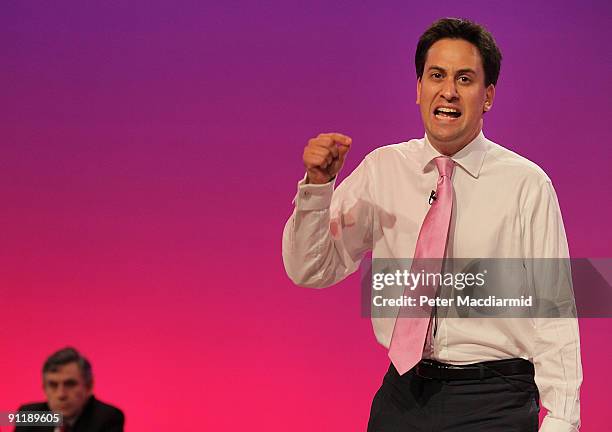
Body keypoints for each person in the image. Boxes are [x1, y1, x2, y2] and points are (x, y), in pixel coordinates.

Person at [282, 17, 582, 432]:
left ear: (488, 95)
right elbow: (310, 269)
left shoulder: (526, 184)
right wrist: (317, 189)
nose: (448, 91)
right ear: (419, 88)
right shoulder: (383, 170)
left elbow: (555, 309)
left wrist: (563, 419)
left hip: (494, 400)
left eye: (465, 79)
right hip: (403, 397)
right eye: (436, 75)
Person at [15, 347, 124, 432]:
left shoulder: (107, 418)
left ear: (89, 386)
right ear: (44, 389)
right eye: (53, 385)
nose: (61, 395)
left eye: (70, 384)